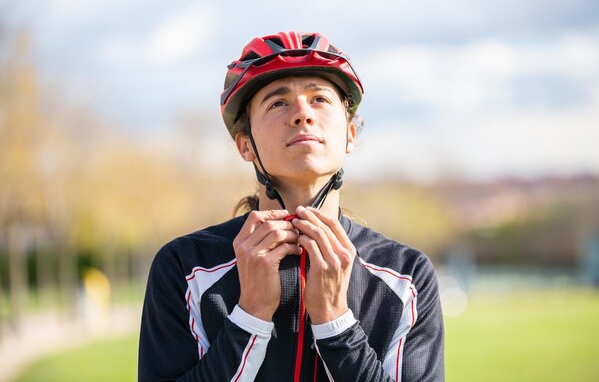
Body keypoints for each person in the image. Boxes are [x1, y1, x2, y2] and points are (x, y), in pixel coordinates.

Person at [138, 31, 444, 382]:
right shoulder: (184, 267)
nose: (302, 114)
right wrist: (249, 316)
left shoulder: (406, 276)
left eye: (319, 99)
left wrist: (336, 323)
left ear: (350, 136)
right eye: (277, 103)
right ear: (245, 145)